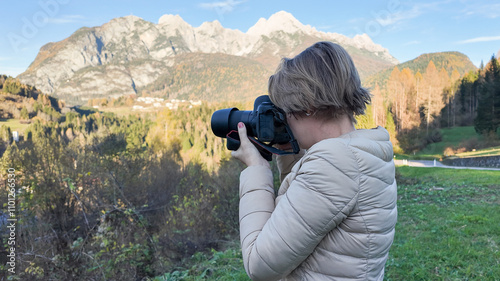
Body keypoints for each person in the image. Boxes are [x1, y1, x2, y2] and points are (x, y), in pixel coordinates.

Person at [231, 41, 397, 281]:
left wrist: (256, 169)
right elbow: (304, 217)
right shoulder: (365, 152)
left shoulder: (335, 163)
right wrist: (290, 154)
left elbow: (260, 265)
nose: (285, 120)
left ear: (308, 107)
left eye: (286, 111)